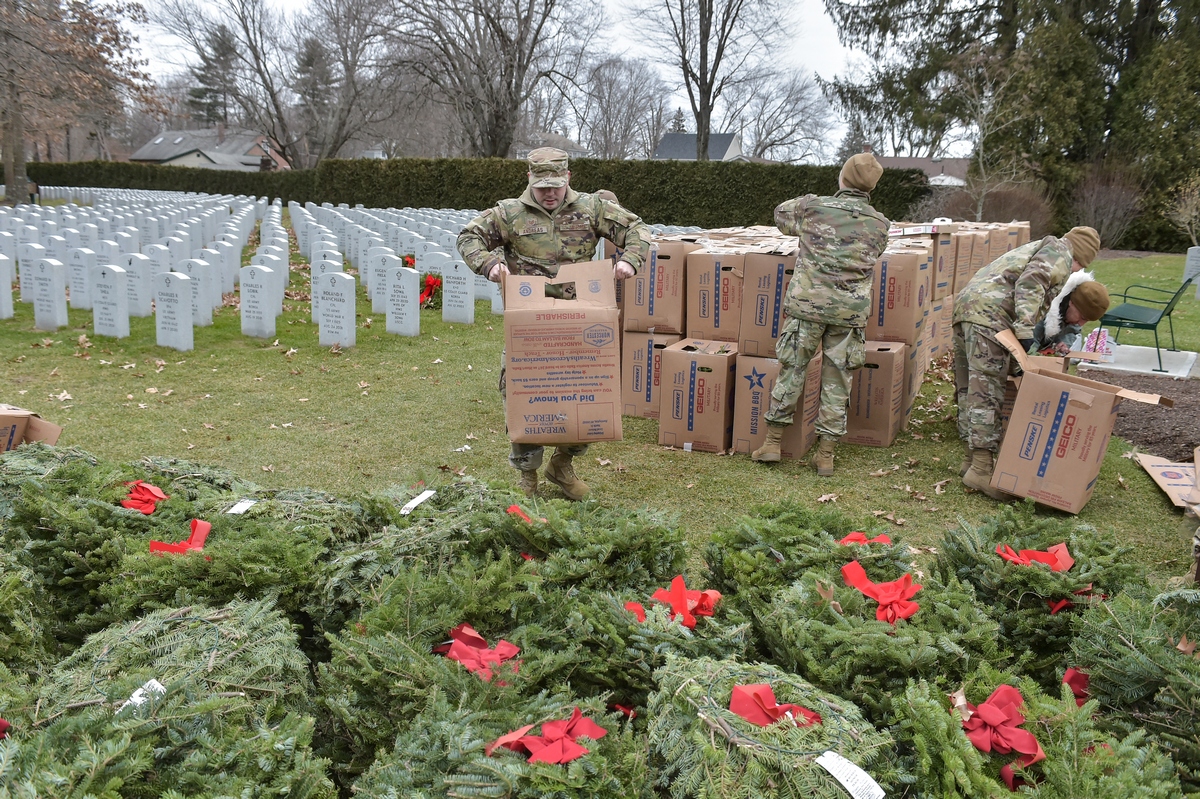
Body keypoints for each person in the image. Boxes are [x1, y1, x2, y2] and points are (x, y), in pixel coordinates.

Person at [457, 147, 651, 500]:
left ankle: (562, 464)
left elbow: (636, 228)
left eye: (556, 185)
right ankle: (527, 480)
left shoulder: (592, 208)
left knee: (593, 393)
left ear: (568, 179)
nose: (549, 193)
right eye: (542, 185)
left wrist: (631, 260)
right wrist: (489, 265)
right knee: (521, 393)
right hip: (530, 323)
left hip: (581, 321)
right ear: (529, 179)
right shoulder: (509, 213)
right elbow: (468, 237)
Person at [751, 153, 891, 476]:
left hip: (807, 307)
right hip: (849, 314)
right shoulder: (880, 224)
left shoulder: (813, 208)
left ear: (842, 179)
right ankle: (825, 455)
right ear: (871, 188)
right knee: (837, 381)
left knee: (793, 369)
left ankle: (772, 443)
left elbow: (779, 215)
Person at [952, 226, 1108, 498]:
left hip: (970, 308)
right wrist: (1024, 331)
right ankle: (981, 469)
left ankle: (970, 462)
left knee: (971, 391)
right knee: (987, 394)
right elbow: (1031, 283)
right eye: (1080, 264)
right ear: (1079, 257)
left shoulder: (1040, 248)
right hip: (990, 317)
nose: (1076, 269)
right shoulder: (1059, 252)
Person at [1028, 270, 1110, 356]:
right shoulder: (1042, 311)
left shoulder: (1071, 315)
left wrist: (1064, 343)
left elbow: (1072, 331)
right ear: (1072, 302)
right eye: (1082, 317)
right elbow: (1027, 345)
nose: (1081, 324)